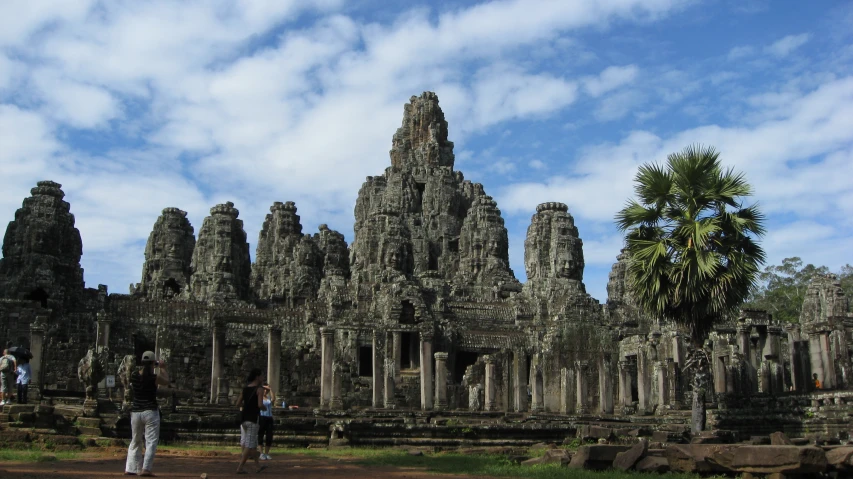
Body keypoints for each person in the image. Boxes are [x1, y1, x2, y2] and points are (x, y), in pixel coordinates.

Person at [125, 351, 169, 477]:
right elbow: (166, 381)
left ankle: (131, 468)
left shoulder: (134, 375)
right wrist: (162, 368)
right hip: (150, 411)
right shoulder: (155, 377)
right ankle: (146, 469)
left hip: (136, 411)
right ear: (152, 363)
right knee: (151, 441)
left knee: (135, 440)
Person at [236, 368, 267, 474]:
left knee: (249, 443)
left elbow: (238, 403)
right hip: (253, 419)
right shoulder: (260, 389)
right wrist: (264, 408)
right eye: (262, 376)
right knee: (249, 445)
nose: (263, 378)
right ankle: (240, 467)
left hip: (244, 418)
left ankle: (258, 466)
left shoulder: (245, 389)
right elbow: (260, 404)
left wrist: (246, 407)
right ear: (257, 377)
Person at [258, 383, 275, 460]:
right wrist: (264, 387)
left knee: (269, 435)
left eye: (266, 390)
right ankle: (261, 453)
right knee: (261, 434)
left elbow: (273, 399)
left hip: (269, 418)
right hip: (262, 417)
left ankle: (267, 453)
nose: (265, 391)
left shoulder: (268, 398)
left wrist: (270, 389)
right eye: (264, 390)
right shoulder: (259, 398)